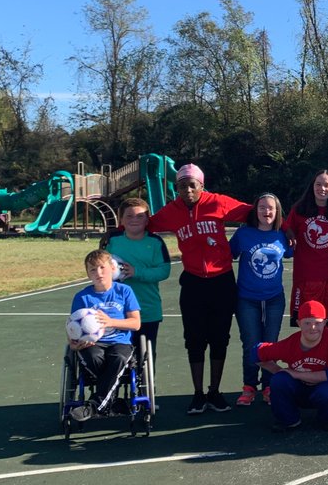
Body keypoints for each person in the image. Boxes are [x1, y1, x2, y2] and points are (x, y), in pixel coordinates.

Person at [148, 163, 252, 415]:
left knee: (219, 338)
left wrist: (288, 227)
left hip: (222, 281)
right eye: (181, 186)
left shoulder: (217, 202)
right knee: (194, 339)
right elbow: (144, 224)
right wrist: (115, 232)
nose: (187, 190)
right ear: (176, 189)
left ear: (202, 186)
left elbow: (257, 211)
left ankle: (214, 391)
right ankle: (197, 394)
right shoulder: (171, 211)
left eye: (192, 185)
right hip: (193, 282)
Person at [229, 193, 291, 406]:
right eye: (262, 207)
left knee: (270, 344)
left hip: (274, 298)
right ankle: (249, 386)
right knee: (251, 343)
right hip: (247, 298)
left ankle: (269, 386)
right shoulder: (244, 234)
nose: (267, 212)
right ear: (255, 210)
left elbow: (295, 250)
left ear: (277, 212)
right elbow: (228, 254)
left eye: (271, 208)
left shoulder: (282, 236)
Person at [67, 249, 142, 421]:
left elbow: (136, 323)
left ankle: (93, 407)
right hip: (93, 344)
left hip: (119, 342)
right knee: (93, 358)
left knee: (118, 358)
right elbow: (73, 328)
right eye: (92, 269)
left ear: (112, 268)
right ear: (87, 273)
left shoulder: (124, 291)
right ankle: (112, 401)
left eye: (102, 267)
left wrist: (110, 322)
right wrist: (73, 344)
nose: (98, 273)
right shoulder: (82, 297)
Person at [254, 300, 328, 432]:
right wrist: (279, 370)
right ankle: (289, 419)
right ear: (298, 323)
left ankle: (327, 418)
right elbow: (255, 353)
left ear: (325, 323)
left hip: (323, 387)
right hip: (299, 388)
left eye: (317, 323)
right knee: (279, 380)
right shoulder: (290, 343)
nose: (312, 328)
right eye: (307, 323)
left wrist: (294, 373)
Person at [100, 197, 171, 357]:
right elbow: (100, 265)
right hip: (116, 311)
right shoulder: (112, 241)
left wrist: (136, 272)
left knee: (145, 357)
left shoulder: (155, 242)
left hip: (147, 309)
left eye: (140, 216)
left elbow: (164, 271)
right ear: (121, 220)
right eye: (129, 216)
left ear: (147, 220)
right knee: (116, 356)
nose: (134, 220)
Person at [285, 170, 328, 327]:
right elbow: (286, 231)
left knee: (324, 325)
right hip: (304, 278)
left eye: (327, 185)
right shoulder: (299, 210)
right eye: (318, 184)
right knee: (305, 325)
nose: (322, 189)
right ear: (312, 186)